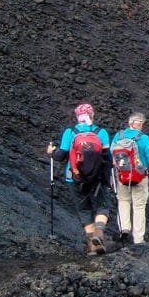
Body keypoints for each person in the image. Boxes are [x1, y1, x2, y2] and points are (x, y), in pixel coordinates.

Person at [47, 103, 112, 255]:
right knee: (102, 207)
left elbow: (60, 156)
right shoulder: (101, 132)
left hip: (74, 177)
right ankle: (99, 234)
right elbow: (107, 157)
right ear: (92, 115)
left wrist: (51, 152)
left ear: (77, 117)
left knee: (84, 210)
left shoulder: (70, 132)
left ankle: (92, 247)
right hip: (97, 178)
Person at [110, 112, 149, 245]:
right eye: (142, 124)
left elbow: (111, 155)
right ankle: (138, 239)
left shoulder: (118, 136)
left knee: (123, 201)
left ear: (129, 123)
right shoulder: (144, 138)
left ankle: (124, 229)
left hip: (121, 176)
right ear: (139, 124)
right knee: (139, 206)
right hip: (140, 176)